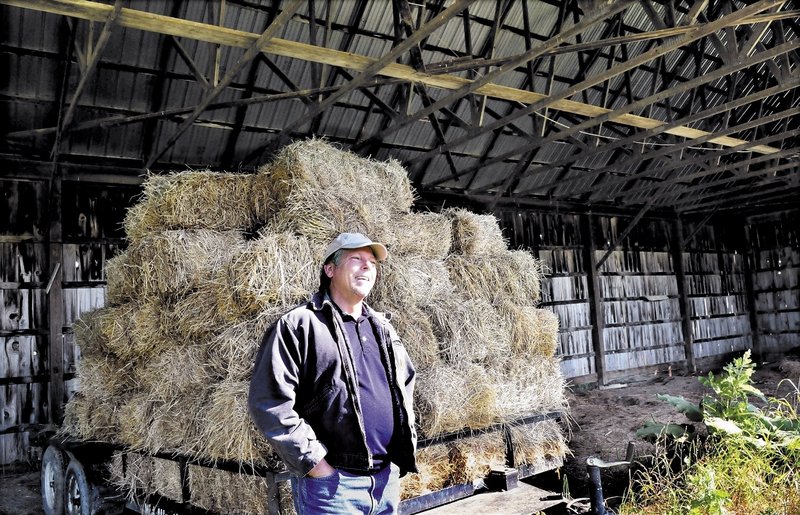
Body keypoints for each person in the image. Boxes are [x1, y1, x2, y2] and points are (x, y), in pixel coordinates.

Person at [248, 232, 418, 514]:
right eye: (356, 259)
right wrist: (317, 466)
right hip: (334, 488)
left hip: (386, 480)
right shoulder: (299, 325)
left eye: (372, 262)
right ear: (330, 269)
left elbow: (406, 383)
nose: (367, 266)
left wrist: (401, 450)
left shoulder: (382, 327)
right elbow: (269, 402)